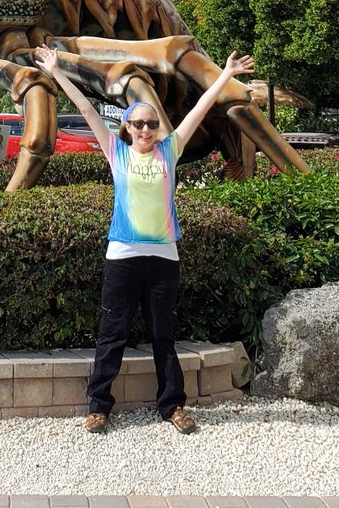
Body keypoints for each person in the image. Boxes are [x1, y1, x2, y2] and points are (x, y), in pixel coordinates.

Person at [33, 42, 256, 435]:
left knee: (163, 337)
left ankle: (172, 406)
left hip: (164, 259)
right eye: (138, 124)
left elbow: (202, 107)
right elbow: (86, 110)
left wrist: (225, 74)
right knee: (112, 334)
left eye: (152, 124)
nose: (146, 130)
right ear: (127, 127)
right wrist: (56, 70)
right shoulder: (116, 153)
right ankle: (99, 406)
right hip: (122, 256)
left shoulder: (169, 151)